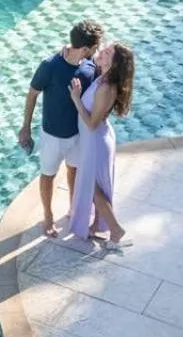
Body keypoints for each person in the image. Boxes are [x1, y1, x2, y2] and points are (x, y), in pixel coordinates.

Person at [19, 19, 103, 238]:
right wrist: (26, 128)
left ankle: (74, 209)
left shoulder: (90, 65)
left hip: (77, 134)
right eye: (95, 47)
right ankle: (48, 216)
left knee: (74, 170)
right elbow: (32, 95)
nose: (97, 50)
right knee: (48, 175)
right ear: (85, 48)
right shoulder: (50, 66)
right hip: (52, 136)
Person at [69, 41, 135, 250]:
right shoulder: (103, 77)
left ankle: (116, 230)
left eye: (107, 53)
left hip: (96, 141)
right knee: (95, 187)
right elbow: (87, 54)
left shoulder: (106, 87)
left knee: (92, 187)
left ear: (113, 63)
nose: (102, 52)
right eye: (104, 49)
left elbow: (92, 123)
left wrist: (76, 99)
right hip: (95, 140)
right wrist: (69, 49)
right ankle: (98, 224)